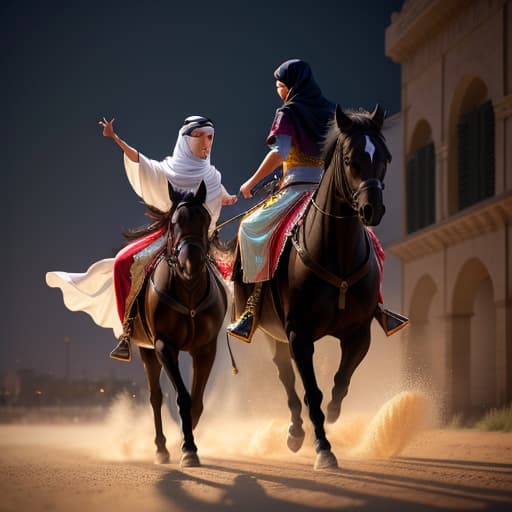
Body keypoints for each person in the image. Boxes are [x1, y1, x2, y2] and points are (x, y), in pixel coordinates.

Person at [46, 115, 237, 361]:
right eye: (200, 136)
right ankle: (127, 330)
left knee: (236, 271)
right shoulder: (167, 170)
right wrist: (116, 139)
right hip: (172, 236)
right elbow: (143, 163)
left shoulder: (212, 174)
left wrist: (228, 197)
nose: (206, 142)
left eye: (210, 137)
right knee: (122, 263)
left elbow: (216, 191)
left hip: (205, 239)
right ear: (187, 140)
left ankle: (243, 321)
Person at [227, 59, 336, 342]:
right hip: (327, 190)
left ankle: (248, 312)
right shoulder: (332, 111)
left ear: (290, 86)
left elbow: (280, 154)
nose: (279, 92)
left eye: (279, 86)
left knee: (249, 229)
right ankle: (378, 306)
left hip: (296, 189)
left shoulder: (287, 112)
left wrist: (251, 183)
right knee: (364, 235)